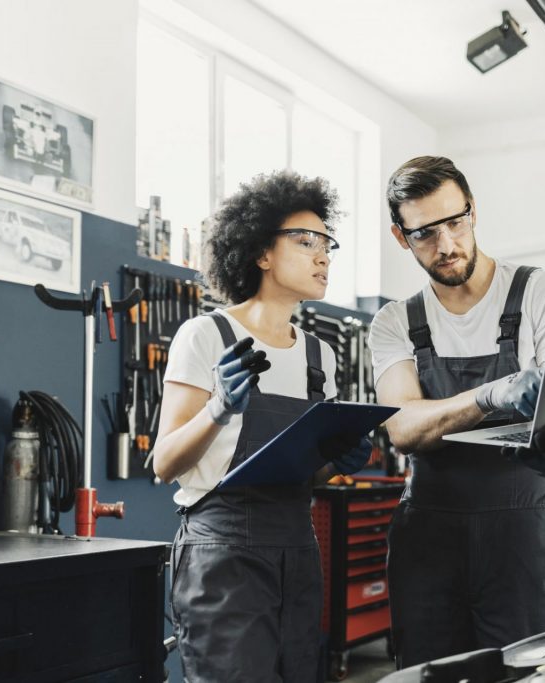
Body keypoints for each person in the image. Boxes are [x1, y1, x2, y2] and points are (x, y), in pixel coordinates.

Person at [368, 156, 545, 668]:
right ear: (401, 237)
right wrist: (492, 394)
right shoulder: (394, 322)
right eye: (424, 233)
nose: (446, 245)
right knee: (430, 675)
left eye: (455, 221)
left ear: (474, 211)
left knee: (535, 675)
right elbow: (402, 426)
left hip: (526, 542)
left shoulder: (542, 293)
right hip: (429, 546)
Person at [152, 171, 373, 682]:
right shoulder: (206, 335)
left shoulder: (321, 355)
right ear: (261, 253)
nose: (322, 256)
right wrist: (217, 410)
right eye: (305, 241)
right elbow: (165, 463)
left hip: (298, 545)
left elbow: (303, 472)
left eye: (327, 244)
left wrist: (337, 464)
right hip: (223, 550)